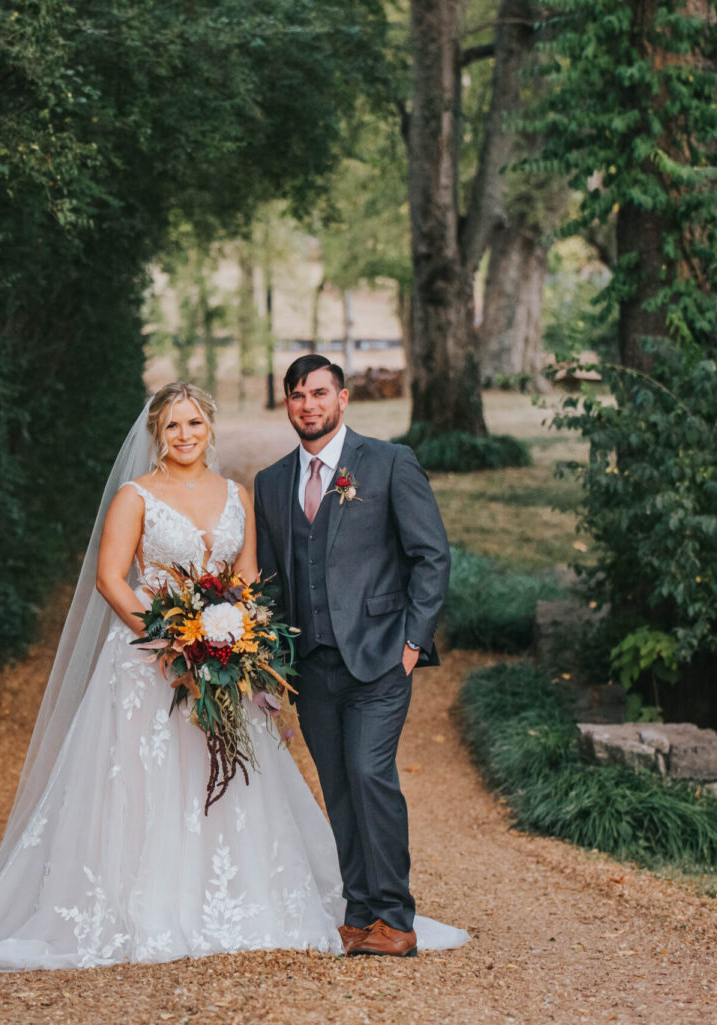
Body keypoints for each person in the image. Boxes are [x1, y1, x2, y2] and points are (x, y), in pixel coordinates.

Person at [0, 381, 466, 970]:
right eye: (172, 424)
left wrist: (237, 640)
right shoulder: (137, 493)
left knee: (229, 782)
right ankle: (145, 905)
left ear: (208, 428)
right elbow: (111, 578)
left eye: (194, 422)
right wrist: (173, 639)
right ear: (156, 432)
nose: (184, 433)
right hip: (149, 663)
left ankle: (288, 903)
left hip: (221, 658)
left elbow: (249, 577)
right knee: (146, 784)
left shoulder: (237, 494)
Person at [253, 355, 451, 958]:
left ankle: (396, 916)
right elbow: (270, 581)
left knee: (370, 775)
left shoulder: (390, 463)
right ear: (287, 404)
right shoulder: (270, 482)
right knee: (338, 786)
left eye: (319, 393)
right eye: (296, 395)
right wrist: (270, 663)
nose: (307, 404)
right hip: (311, 665)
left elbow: (430, 556)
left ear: (342, 399)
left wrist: (413, 642)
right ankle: (359, 912)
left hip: (381, 658)